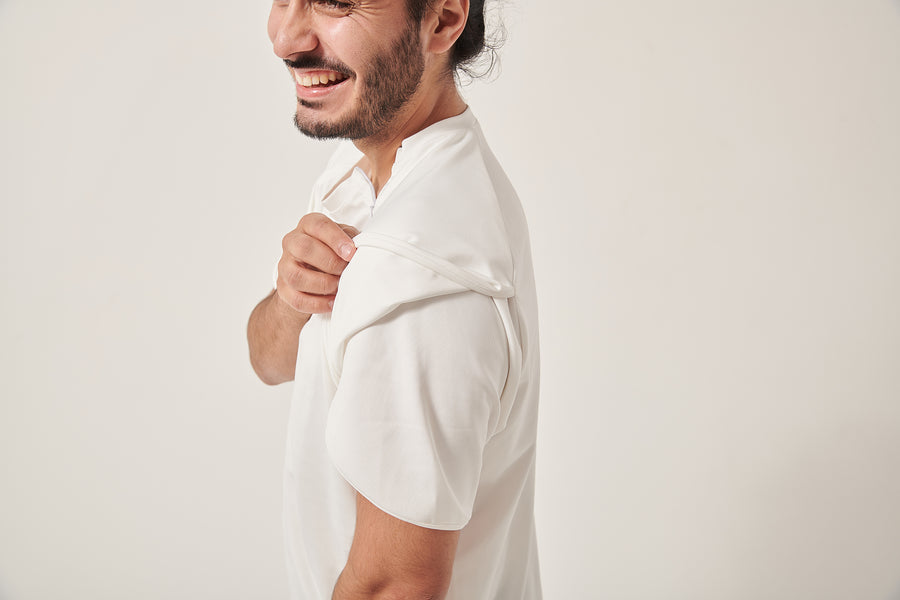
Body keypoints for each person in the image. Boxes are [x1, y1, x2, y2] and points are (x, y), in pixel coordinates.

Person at [246, 0, 541, 598]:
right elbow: (267, 361)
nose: (285, 38)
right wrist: (291, 298)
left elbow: (393, 585)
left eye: (336, 2)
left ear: (442, 20)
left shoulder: (422, 274)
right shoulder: (370, 170)